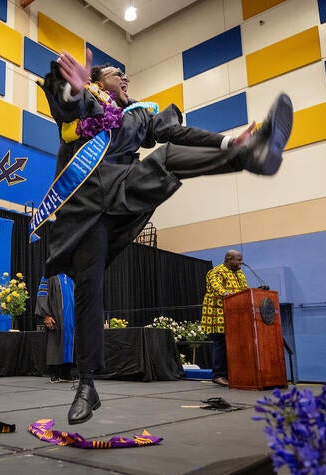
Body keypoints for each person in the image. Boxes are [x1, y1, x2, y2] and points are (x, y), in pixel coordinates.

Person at [37, 49, 293, 424]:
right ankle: (87, 385)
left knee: (169, 155)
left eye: (126, 75)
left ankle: (248, 155)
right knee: (89, 289)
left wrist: (226, 141)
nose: (124, 78)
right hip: (85, 205)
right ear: (97, 80)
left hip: (124, 187)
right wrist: (75, 91)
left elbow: (174, 132)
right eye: (116, 73)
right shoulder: (89, 101)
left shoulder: (139, 113)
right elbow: (66, 107)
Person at [199, 250, 249, 387]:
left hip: (235, 314)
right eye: (238, 260)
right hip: (218, 313)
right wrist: (229, 294)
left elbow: (244, 291)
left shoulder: (239, 273)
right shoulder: (215, 272)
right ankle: (218, 375)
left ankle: (233, 373)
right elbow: (218, 289)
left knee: (234, 344)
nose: (241, 263)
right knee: (220, 343)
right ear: (228, 259)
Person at [35, 274, 76, 383]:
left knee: (69, 343)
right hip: (55, 317)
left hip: (71, 318)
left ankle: (66, 373)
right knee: (54, 343)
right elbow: (42, 295)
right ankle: (54, 373)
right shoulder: (50, 275)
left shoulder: (72, 276)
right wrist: (46, 315)